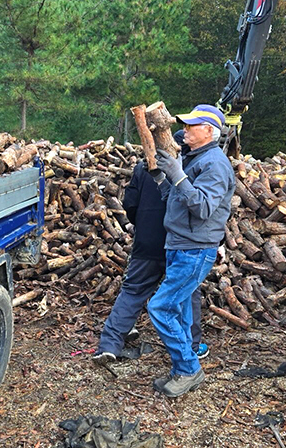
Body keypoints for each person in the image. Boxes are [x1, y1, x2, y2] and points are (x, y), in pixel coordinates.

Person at [147, 104, 236, 398]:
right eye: (184, 125)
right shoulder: (194, 158)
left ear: (209, 131)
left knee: (160, 307)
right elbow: (177, 199)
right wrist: (162, 178)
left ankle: (188, 369)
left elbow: (203, 208)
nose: (184, 131)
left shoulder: (215, 164)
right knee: (183, 312)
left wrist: (178, 175)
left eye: (191, 126)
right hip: (180, 244)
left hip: (195, 249)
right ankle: (181, 369)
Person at [92, 146, 208, 365]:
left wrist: (143, 224)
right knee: (187, 292)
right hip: (181, 242)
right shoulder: (193, 167)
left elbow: (130, 203)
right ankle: (192, 346)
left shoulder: (144, 167)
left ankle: (109, 344)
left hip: (147, 241)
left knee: (133, 291)